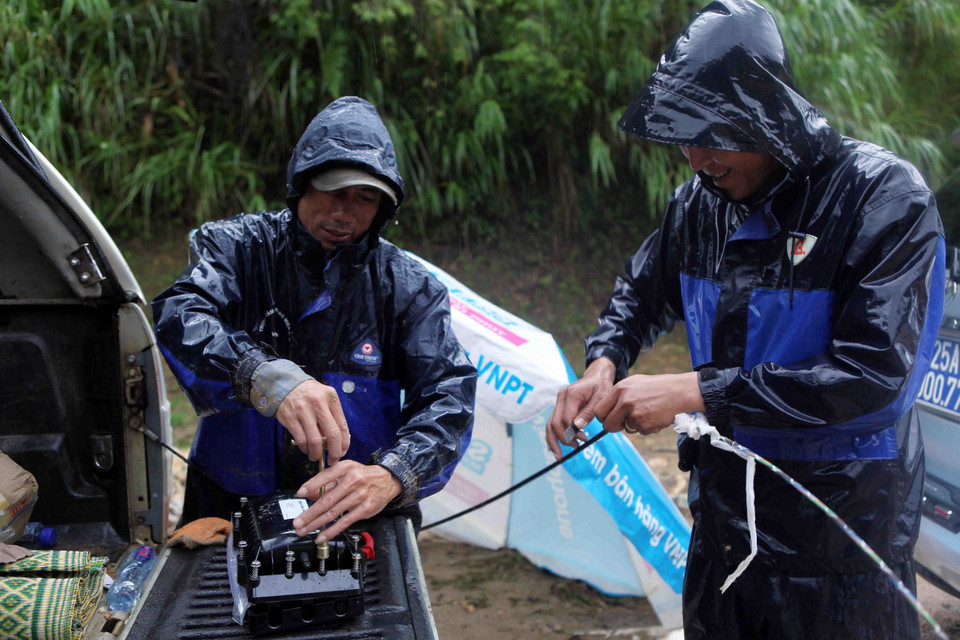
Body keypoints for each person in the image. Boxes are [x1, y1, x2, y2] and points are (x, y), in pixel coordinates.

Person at [545, 1, 945, 638]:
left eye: (711, 134)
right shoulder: (699, 205)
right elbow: (640, 294)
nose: (696, 157)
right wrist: (604, 363)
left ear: (765, 113)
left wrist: (694, 392)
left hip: (841, 539)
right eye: (682, 137)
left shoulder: (880, 198)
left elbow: (873, 376)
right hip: (725, 527)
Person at [153, 96, 477, 544]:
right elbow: (179, 312)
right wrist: (259, 375)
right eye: (333, 192)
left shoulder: (409, 287)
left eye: (365, 198)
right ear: (301, 184)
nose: (345, 214)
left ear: (384, 208)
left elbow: (449, 395)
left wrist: (393, 474)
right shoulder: (236, 247)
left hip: (359, 509)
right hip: (229, 498)